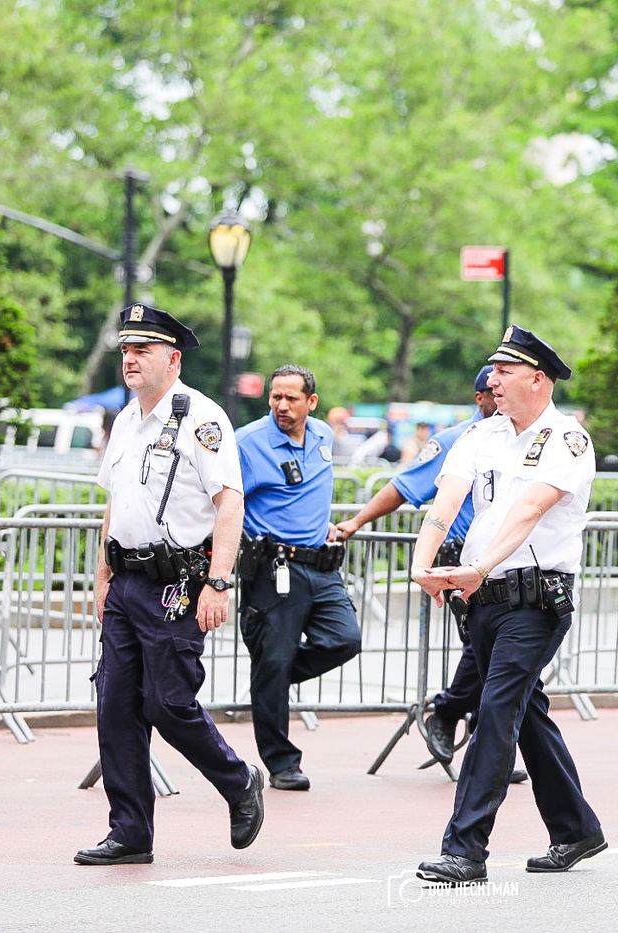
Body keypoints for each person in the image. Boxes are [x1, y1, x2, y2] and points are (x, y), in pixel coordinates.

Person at [409, 326, 604, 886]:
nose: (492, 380)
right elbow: (446, 501)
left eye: (505, 371)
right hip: (484, 600)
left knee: (496, 712)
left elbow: (529, 512)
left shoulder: (567, 439)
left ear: (537, 379)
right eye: (493, 370)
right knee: (527, 713)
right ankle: (576, 829)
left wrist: (479, 565)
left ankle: (465, 849)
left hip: (535, 600)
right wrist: (422, 563)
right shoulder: (482, 435)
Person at [77, 303, 264, 866]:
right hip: (127, 580)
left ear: (173, 359)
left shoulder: (200, 419)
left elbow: (229, 502)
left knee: (168, 703)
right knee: (115, 707)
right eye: (127, 351)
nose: (131, 360)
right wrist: (103, 576)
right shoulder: (127, 418)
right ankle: (130, 832)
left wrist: (220, 583)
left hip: (176, 585)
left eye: (143, 351)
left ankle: (238, 781)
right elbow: (117, 502)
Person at [334, 366, 525, 780]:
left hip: (512, 561)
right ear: (481, 398)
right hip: (466, 560)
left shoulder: (525, 438)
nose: (503, 395)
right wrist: (356, 522)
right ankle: (455, 714)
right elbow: (404, 487)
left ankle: (477, 734)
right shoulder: (460, 440)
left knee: (503, 656)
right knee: (487, 650)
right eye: (496, 389)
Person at [235, 365, 363, 791]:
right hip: (273, 569)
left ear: (312, 401)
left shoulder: (324, 436)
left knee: (345, 639)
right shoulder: (248, 443)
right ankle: (282, 763)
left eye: (291, 398)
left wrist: (324, 522)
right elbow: (223, 501)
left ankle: (271, 679)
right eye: (275, 397)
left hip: (320, 566)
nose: (282, 406)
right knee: (273, 660)